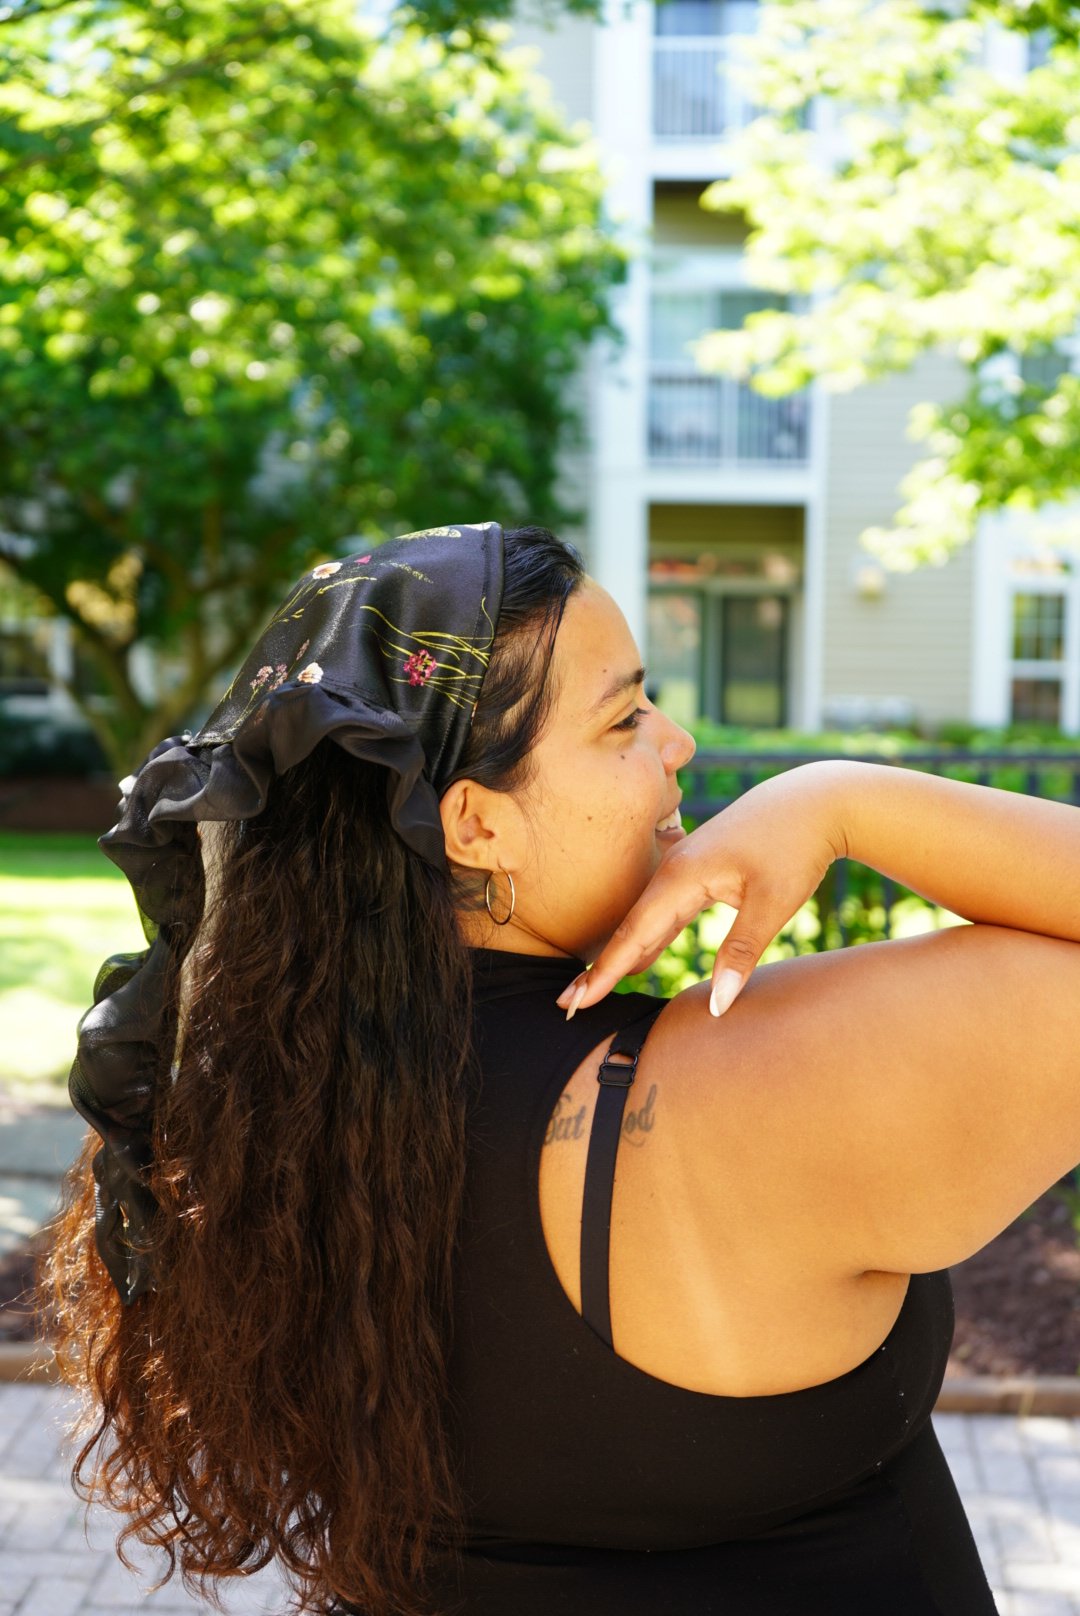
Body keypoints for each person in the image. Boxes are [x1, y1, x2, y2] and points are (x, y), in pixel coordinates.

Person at [44, 518, 1079, 1616]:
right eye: (625, 716)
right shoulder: (734, 1093)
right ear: (478, 824)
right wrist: (842, 800)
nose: (674, 741)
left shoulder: (258, 1125)